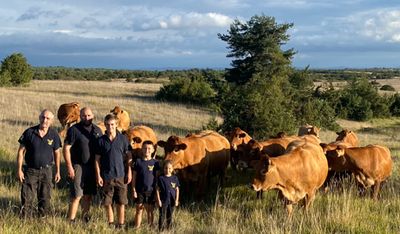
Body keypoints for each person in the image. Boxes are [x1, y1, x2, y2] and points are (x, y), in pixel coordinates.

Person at [17, 109, 62, 218]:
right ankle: (26, 220)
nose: (44, 120)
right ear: (39, 117)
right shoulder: (29, 132)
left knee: (45, 197)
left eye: (48, 118)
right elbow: (20, 152)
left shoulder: (54, 135)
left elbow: (57, 153)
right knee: (27, 197)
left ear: (52, 121)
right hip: (30, 170)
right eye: (43, 117)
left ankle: (42, 219)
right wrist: (19, 170)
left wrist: (58, 171)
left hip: (46, 171)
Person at [63, 107, 102, 223]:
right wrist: (69, 166)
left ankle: (85, 217)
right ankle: (71, 219)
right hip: (78, 165)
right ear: (80, 116)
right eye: (84, 116)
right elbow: (66, 148)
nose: (87, 118)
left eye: (89, 115)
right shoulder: (74, 130)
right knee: (76, 195)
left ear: (93, 116)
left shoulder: (97, 130)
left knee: (88, 195)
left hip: (92, 166)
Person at [94, 114, 132, 229]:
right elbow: (96, 160)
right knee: (107, 202)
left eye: (112, 124)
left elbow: (129, 156)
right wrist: (98, 176)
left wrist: (129, 172)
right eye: (107, 124)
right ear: (105, 125)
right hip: (106, 176)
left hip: (121, 175)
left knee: (121, 202)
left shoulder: (123, 139)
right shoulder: (100, 140)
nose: (110, 127)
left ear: (116, 125)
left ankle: (121, 224)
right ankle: (110, 223)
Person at [132, 140, 160, 228]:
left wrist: (156, 192)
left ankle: (150, 227)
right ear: (141, 149)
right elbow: (134, 177)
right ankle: (137, 228)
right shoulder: (138, 162)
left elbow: (157, 179)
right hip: (140, 190)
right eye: (144, 148)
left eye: (149, 149)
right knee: (139, 210)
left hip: (151, 191)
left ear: (152, 150)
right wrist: (133, 190)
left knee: (150, 211)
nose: (147, 151)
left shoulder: (155, 163)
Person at [155, 160, 180, 231]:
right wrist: (158, 200)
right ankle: (161, 230)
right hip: (163, 200)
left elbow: (177, 189)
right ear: (163, 169)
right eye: (166, 168)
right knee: (162, 215)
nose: (167, 170)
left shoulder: (175, 178)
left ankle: (169, 229)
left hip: (172, 200)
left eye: (169, 168)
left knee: (170, 216)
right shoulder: (161, 178)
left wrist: (177, 200)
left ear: (172, 169)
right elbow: (157, 189)